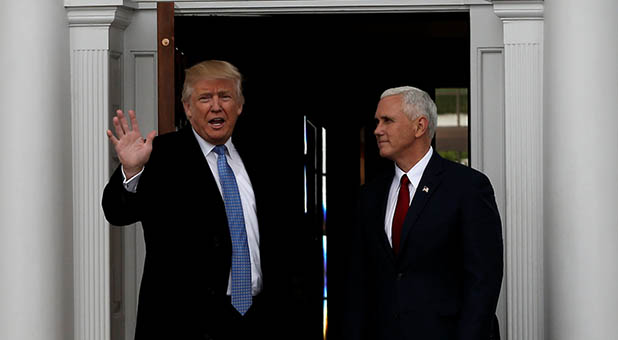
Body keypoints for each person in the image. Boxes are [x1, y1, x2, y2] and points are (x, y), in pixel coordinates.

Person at [102, 60, 283, 339]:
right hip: (183, 322)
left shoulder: (262, 156)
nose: (216, 106)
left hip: (256, 319)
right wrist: (132, 170)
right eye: (204, 98)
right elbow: (117, 211)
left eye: (225, 96)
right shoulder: (162, 155)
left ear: (239, 105)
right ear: (187, 108)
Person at [344, 86, 503, 340]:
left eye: (388, 120)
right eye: (377, 121)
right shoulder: (370, 196)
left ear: (419, 127)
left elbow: (483, 281)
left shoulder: (468, 187)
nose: (377, 130)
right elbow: (358, 284)